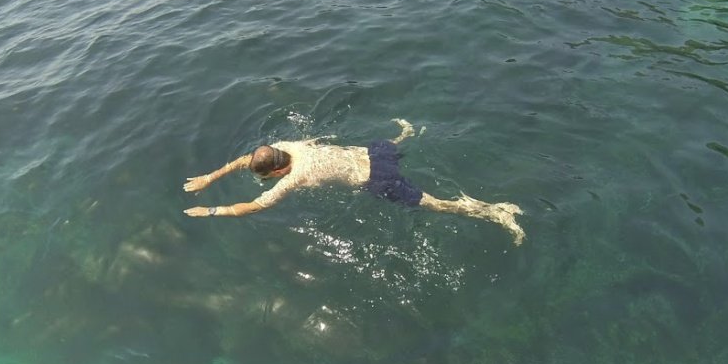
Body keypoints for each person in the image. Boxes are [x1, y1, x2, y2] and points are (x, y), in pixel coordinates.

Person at [183, 119, 525, 244]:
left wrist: (211, 210)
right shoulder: (287, 147)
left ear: (276, 173)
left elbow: (251, 207)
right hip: (375, 154)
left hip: (377, 179)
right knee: (390, 144)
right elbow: (248, 159)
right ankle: (405, 134)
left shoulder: (293, 179)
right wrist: (210, 177)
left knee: (436, 205)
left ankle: (497, 212)